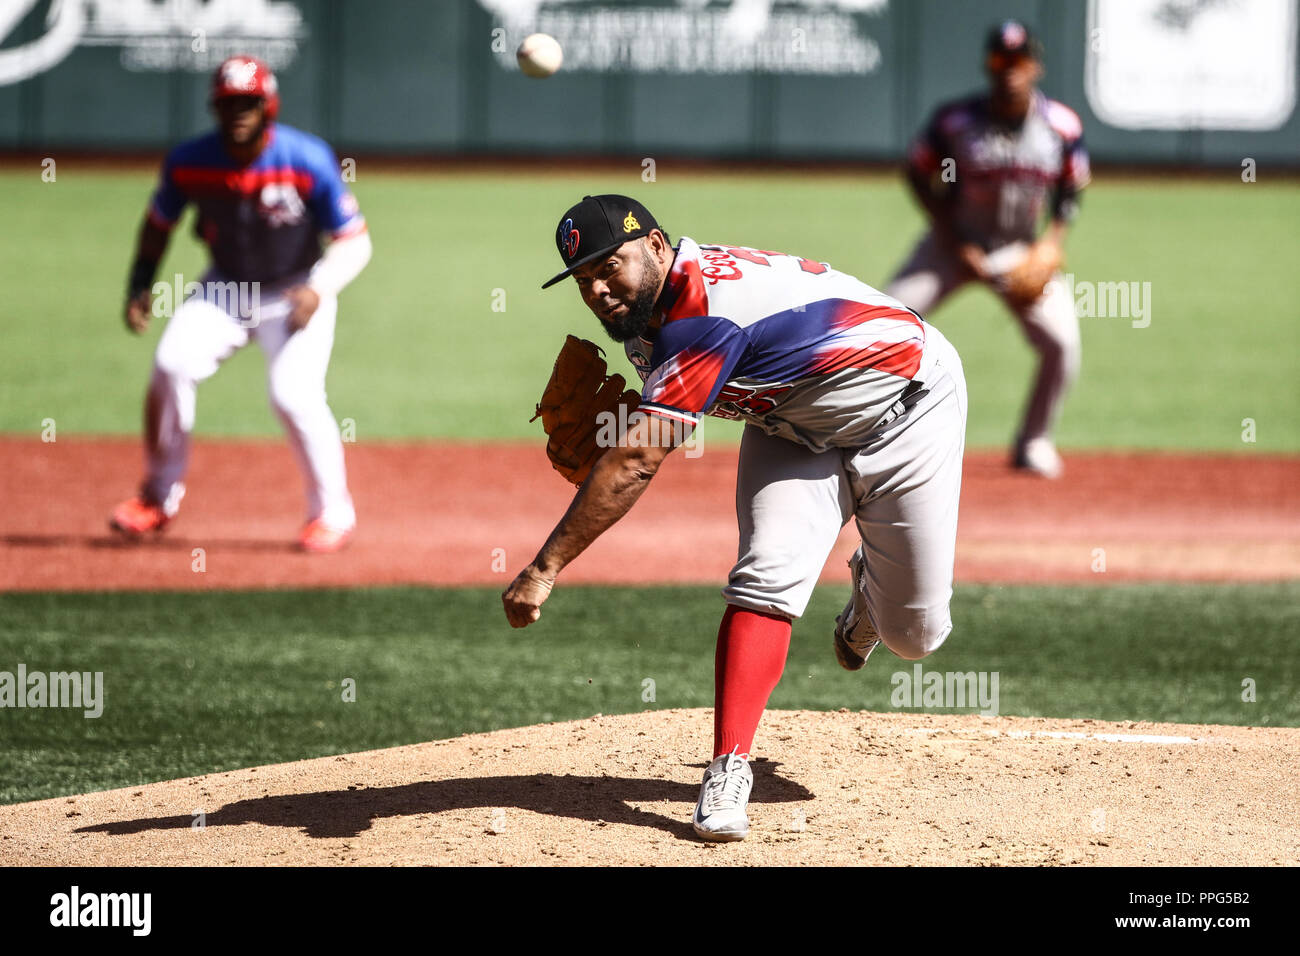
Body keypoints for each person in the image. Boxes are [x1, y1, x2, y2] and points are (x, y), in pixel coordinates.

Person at [502, 194, 967, 841]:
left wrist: (544, 566)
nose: (601, 289)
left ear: (657, 245)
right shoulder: (648, 316)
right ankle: (729, 767)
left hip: (907, 405)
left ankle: (872, 589)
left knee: (913, 635)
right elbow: (666, 408)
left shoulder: (699, 313)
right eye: (585, 281)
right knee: (764, 578)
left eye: (612, 266)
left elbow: (638, 460)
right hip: (790, 424)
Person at [109, 55, 371, 552]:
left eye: (249, 102)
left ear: (268, 105)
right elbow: (157, 225)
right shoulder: (190, 160)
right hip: (225, 288)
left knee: (294, 394)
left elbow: (355, 241)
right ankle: (157, 497)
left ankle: (332, 513)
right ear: (215, 107)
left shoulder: (305, 158)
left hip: (297, 288)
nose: (239, 113)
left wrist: (321, 287)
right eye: (229, 104)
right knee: (170, 365)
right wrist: (141, 284)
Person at [886, 20, 1089, 478]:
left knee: (1062, 344)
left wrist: (1052, 245)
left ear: (1034, 66)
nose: (1008, 71)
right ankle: (870, 432)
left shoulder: (1061, 126)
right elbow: (918, 175)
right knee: (885, 321)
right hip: (950, 246)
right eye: (1000, 60)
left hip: (1019, 251)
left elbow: (1070, 190)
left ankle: (1034, 441)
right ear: (988, 65)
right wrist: (954, 241)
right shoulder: (955, 123)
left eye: (1017, 61)